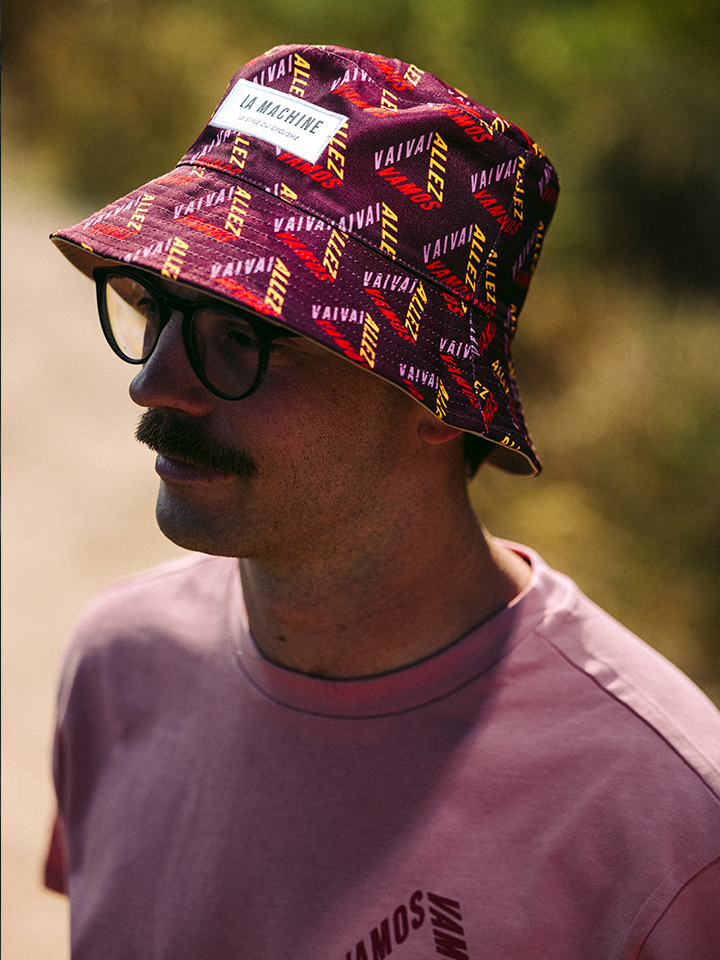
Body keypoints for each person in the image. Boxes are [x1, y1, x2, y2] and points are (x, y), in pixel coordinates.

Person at [45, 44, 720, 959]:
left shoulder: (665, 820)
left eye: (242, 336)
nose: (156, 384)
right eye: (157, 313)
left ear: (436, 400)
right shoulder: (118, 668)